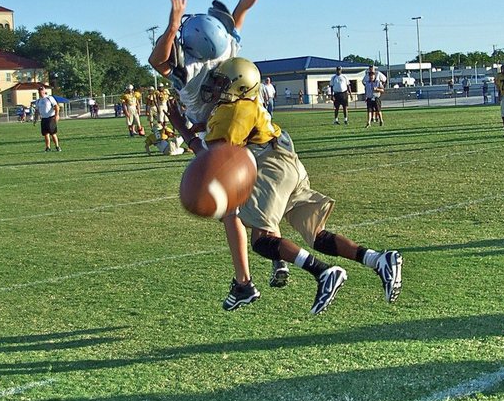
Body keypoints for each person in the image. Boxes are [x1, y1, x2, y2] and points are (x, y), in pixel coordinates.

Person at [168, 57, 402, 315]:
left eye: (222, 81)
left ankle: (323, 272)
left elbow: (214, 161)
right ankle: (378, 259)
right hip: (286, 161)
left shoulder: (234, 111)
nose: (215, 85)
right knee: (318, 236)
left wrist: (184, 131)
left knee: (262, 240)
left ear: (241, 87)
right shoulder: (243, 105)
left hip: (272, 166)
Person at [148, 0, 280, 308]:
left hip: (220, 137)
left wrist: (173, 22)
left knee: (231, 208)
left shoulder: (189, 71)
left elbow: (157, 60)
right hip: (255, 126)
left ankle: (244, 282)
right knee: (262, 191)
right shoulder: (224, 50)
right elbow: (236, 17)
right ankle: (278, 254)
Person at [36, 85, 61, 151]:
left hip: (51, 118)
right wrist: (35, 119)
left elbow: (56, 107)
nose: (41, 92)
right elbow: (37, 110)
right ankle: (48, 147)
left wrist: (57, 115)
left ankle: (57, 146)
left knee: (53, 133)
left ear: (44, 91)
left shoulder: (49, 98)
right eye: (40, 91)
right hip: (44, 119)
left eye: (42, 90)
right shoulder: (38, 101)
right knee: (45, 134)